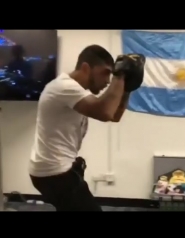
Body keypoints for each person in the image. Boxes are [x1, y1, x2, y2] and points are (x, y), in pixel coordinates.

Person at [29, 45, 145, 211]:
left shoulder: (76, 92)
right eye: (105, 73)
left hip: (53, 170)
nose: (108, 81)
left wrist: (125, 88)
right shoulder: (64, 87)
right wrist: (120, 75)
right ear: (85, 68)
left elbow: (114, 115)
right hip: (53, 173)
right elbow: (104, 112)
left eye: (111, 74)